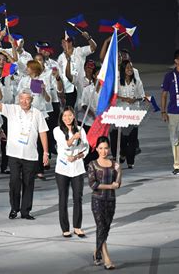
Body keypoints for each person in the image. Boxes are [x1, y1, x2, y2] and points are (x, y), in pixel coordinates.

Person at [0, 85, 49, 220]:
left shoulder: (37, 113)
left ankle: (26, 211)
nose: (24, 102)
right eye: (22, 99)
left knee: (28, 183)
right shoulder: (12, 109)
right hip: (14, 153)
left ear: (31, 100)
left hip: (30, 155)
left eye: (27, 99)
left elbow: (43, 133)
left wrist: (45, 152)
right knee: (14, 181)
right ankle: (14, 208)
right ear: (19, 99)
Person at [53, 106, 88, 238]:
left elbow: (86, 147)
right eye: (64, 116)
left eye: (70, 115)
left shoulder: (81, 129)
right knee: (63, 198)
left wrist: (78, 156)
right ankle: (65, 228)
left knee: (78, 197)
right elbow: (64, 145)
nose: (67, 118)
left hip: (77, 168)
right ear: (61, 118)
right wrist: (74, 137)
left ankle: (77, 227)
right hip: (63, 168)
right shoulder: (57, 130)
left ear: (74, 116)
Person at [87, 136, 121, 270]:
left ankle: (96, 253)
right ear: (96, 149)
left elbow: (118, 184)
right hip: (97, 201)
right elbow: (93, 184)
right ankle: (107, 258)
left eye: (106, 148)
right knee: (101, 227)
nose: (103, 151)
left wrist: (119, 171)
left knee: (105, 229)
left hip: (111, 201)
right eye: (101, 148)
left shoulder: (114, 164)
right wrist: (109, 186)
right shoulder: (92, 164)